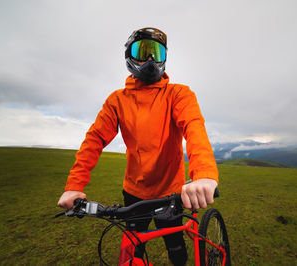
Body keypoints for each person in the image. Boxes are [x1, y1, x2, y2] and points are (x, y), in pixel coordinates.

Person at [57, 27, 218, 266]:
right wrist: (74, 186)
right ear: (129, 57)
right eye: (143, 51)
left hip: (171, 193)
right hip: (133, 194)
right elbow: (95, 140)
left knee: (176, 249)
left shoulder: (179, 94)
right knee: (133, 250)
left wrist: (203, 174)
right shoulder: (117, 101)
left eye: (156, 52)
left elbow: (194, 127)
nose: (151, 59)